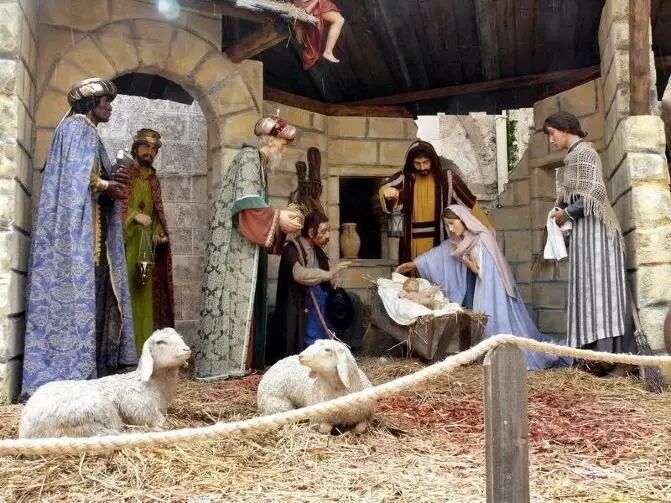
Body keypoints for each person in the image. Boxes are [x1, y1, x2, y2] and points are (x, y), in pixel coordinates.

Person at [22, 78, 136, 396]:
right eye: (105, 101)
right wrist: (107, 185)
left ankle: (91, 371)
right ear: (90, 103)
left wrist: (112, 178)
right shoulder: (76, 129)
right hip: (79, 238)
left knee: (96, 300)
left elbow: (91, 177)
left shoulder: (86, 132)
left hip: (93, 236)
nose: (109, 106)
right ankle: (68, 372)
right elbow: (80, 177)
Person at [396, 205, 570, 370]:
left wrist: (469, 265)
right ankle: (490, 355)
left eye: (452, 223)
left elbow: (487, 271)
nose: (450, 229)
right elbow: (441, 253)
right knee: (484, 321)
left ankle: (503, 356)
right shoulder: (464, 240)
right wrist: (415, 263)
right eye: (447, 225)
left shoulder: (482, 238)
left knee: (493, 321)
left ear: (463, 220)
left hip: (493, 289)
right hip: (483, 287)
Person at [196, 115, 304, 380]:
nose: (284, 150)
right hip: (233, 249)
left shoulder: (259, 164)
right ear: (269, 140)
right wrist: (278, 217)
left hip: (243, 248)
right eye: (283, 144)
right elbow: (246, 205)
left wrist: (278, 219)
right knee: (233, 301)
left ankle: (242, 364)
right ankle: (227, 366)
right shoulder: (248, 159)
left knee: (245, 303)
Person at [542, 111, 635, 360]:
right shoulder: (572, 157)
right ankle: (593, 358)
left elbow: (595, 193)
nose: (551, 140)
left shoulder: (585, 153)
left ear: (565, 129)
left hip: (599, 235)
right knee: (588, 292)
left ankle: (612, 357)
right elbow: (575, 195)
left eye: (552, 133)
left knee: (603, 292)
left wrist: (566, 213)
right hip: (585, 234)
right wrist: (561, 211)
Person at [266, 211, 364, 365]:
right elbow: (299, 275)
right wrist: (328, 275)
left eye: (328, 231)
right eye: (323, 231)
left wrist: (335, 281)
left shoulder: (318, 250)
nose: (327, 236)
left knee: (353, 300)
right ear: (311, 232)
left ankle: (351, 350)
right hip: (301, 304)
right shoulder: (291, 249)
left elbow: (330, 273)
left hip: (321, 297)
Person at [378, 140, 493, 264]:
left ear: (432, 160)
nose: (422, 167)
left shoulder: (448, 178)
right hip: (412, 244)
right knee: (415, 274)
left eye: (426, 162)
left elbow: (470, 204)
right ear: (411, 163)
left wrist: (487, 229)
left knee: (440, 273)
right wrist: (387, 191)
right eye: (417, 164)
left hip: (441, 241)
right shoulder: (405, 179)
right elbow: (386, 188)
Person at [121, 128, 174, 353]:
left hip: (146, 250)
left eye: (153, 149)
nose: (149, 152)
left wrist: (158, 232)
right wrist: (134, 216)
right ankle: (127, 352)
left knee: (147, 297)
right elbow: (117, 207)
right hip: (126, 246)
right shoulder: (126, 174)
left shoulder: (153, 180)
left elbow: (155, 214)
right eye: (145, 147)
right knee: (128, 294)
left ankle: (146, 349)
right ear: (136, 148)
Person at [293, 0, 345, 68]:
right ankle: (328, 52)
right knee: (338, 20)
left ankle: (328, 51)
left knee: (338, 20)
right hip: (312, 2)